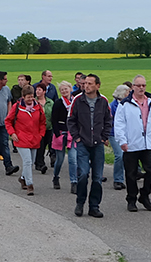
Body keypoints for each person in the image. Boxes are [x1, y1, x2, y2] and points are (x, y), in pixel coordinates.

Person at [67, 73, 112, 218]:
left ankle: (94, 206)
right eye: (85, 83)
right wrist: (77, 137)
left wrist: (104, 137)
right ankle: (80, 203)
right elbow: (71, 120)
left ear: (97, 86)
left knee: (97, 177)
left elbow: (108, 120)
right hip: (83, 143)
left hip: (98, 144)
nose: (86, 86)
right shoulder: (77, 100)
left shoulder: (103, 101)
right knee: (84, 174)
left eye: (90, 84)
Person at [115, 75, 151, 212]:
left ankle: (144, 195)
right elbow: (119, 124)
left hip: (147, 144)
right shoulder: (124, 104)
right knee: (131, 174)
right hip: (131, 143)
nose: (141, 88)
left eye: (143, 85)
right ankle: (131, 199)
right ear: (133, 87)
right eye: (138, 85)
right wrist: (122, 141)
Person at [6, 85, 47, 196]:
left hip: (34, 138)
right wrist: (12, 133)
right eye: (28, 97)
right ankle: (30, 185)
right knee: (28, 161)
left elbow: (43, 122)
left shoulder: (38, 107)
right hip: (21, 138)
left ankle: (23, 178)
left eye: (32, 97)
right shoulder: (17, 107)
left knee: (31, 162)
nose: (30, 99)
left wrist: (41, 135)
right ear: (23, 97)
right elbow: (8, 121)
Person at [51, 81, 78, 192]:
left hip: (72, 134)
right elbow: (54, 119)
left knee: (73, 159)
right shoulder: (58, 103)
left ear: (70, 89)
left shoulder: (75, 102)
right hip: (61, 133)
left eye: (66, 89)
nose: (64, 91)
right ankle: (56, 177)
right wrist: (57, 133)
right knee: (60, 159)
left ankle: (74, 182)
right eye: (62, 90)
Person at [108, 83, 131, 191]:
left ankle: (122, 178)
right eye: (127, 92)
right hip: (113, 133)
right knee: (119, 155)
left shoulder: (128, 104)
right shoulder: (112, 106)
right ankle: (117, 179)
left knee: (126, 156)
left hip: (125, 134)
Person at [33, 83, 53, 175]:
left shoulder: (50, 102)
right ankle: (40, 164)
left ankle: (39, 161)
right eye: (36, 90)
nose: (37, 91)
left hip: (48, 127)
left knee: (45, 145)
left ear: (44, 91)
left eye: (40, 90)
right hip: (37, 128)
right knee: (40, 146)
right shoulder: (34, 102)